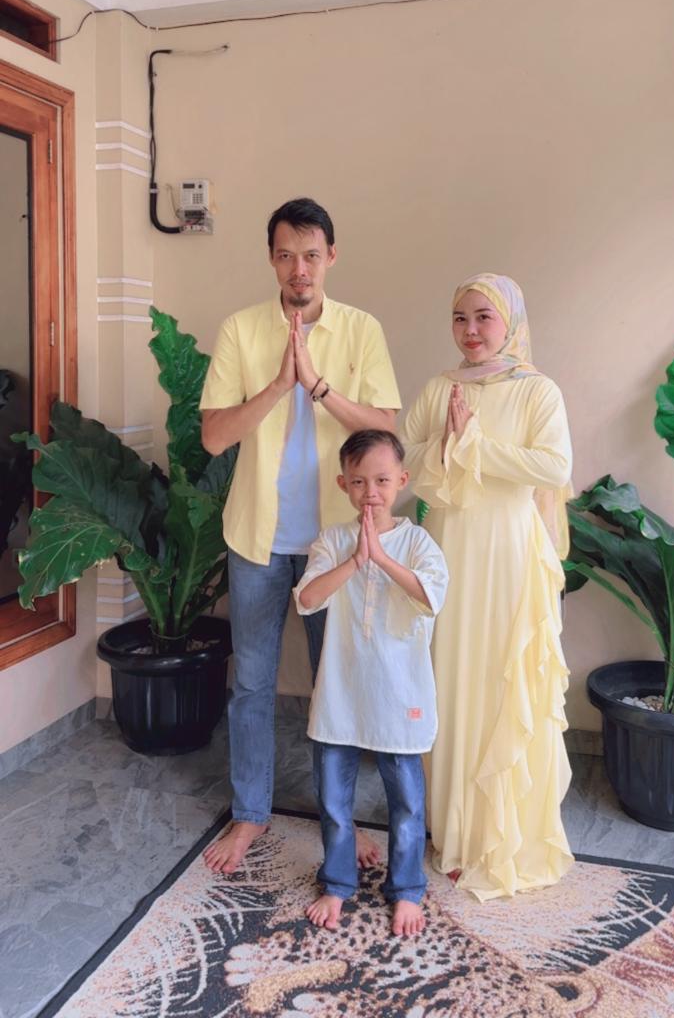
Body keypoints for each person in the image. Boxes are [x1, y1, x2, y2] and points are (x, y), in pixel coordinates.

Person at [200, 198, 402, 875]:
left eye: (311, 255)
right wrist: (278, 385)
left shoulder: (362, 330)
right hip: (256, 539)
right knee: (252, 685)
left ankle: (339, 823)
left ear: (331, 257)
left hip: (334, 544)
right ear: (271, 259)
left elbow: (387, 428)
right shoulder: (241, 329)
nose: (299, 269)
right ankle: (250, 815)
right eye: (286, 255)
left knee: (334, 687)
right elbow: (214, 436)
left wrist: (315, 386)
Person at [402, 273, 574, 903]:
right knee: (448, 677)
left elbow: (554, 466)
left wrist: (475, 443)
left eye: (484, 317)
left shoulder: (538, 390)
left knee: (500, 682)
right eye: (460, 318)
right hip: (449, 551)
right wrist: (446, 442)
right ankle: (451, 833)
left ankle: (501, 840)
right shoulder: (438, 388)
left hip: (508, 557)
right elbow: (403, 457)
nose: (470, 330)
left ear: (510, 322)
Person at [294, 429, 448, 936]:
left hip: (399, 693)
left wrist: (380, 558)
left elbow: (430, 598)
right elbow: (307, 599)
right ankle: (337, 883)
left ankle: (406, 890)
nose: (371, 493)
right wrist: (356, 560)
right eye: (358, 482)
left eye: (382, 480)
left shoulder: (419, 542)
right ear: (343, 484)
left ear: (402, 480)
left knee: (406, 802)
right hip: (340, 692)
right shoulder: (332, 540)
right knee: (333, 800)